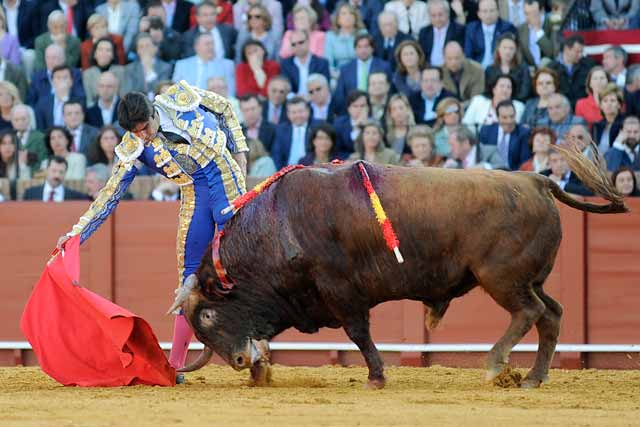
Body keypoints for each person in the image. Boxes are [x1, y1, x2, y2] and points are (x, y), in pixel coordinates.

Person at [54, 81, 248, 379]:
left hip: (226, 177)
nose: (144, 135)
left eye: (146, 127)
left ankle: (253, 344)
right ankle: (176, 365)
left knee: (237, 263)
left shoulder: (181, 98)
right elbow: (109, 194)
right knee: (189, 276)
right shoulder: (134, 147)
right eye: (137, 132)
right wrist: (77, 234)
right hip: (194, 192)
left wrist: (241, 152)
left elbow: (224, 107)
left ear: (153, 112)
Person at [334, 34, 392, 115]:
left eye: (366, 46)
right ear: (355, 49)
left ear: (372, 48)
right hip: (352, 111)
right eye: (359, 47)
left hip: (378, 110)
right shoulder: (345, 69)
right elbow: (340, 95)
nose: (363, 50)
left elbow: (390, 90)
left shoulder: (384, 66)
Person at [478, 99, 531, 170]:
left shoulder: (523, 132)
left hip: (513, 175)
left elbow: (524, 162)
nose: (509, 121)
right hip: (490, 174)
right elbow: (481, 157)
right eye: (504, 117)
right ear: (497, 117)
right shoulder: (486, 131)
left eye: (512, 116)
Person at [463, 0, 516, 69]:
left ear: (498, 12)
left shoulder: (507, 28)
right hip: (477, 69)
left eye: (492, 11)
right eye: (485, 11)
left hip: (499, 69)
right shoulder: (471, 29)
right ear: (479, 14)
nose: (488, 15)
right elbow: (468, 55)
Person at [547, 34, 597, 106]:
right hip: (560, 107)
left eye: (581, 52)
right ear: (566, 49)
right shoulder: (551, 68)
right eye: (577, 52)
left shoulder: (589, 65)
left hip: (583, 107)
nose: (580, 55)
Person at [280, 29, 331, 96]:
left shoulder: (322, 63)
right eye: (293, 44)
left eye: (301, 42)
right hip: (294, 102)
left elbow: (324, 88)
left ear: (308, 42)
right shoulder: (286, 64)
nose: (297, 46)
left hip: (315, 100)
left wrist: (310, 98)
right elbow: (286, 88)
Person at [35, 65, 86, 131]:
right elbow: (41, 129)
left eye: (65, 78)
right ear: (52, 82)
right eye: (58, 78)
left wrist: (65, 98)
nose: (62, 80)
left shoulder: (80, 100)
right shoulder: (42, 103)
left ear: (71, 82)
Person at [122, 33, 172, 99]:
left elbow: (162, 91)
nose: (145, 49)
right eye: (141, 47)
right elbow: (127, 94)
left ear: (155, 48)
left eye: (147, 46)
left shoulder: (165, 67)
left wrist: (149, 71)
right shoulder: (129, 69)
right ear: (138, 51)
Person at [484, 32, 532, 102]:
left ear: (515, 51)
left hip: (516, 103)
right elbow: (487, 92)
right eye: (504, 48)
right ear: (498, 49)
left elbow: (524, 93)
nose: (507, 52)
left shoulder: (523, 69)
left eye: (511, 48)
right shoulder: (490, 69)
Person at [324, 2, 367, 78]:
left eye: (351, 13)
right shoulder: (330, 36)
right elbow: (328, 63)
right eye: (343, 14)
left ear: (355, 17)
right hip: (337, 75)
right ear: (338, 19)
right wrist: (338, 76)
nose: (348, 17)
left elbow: (367, 59)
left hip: (360, 74)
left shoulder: (363, 33)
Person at [418, 0, 465, 68]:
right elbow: (422, 56)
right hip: (429, 69)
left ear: (447, 13)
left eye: (440, 14)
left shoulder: (459, 30)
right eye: (433, 16)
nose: (437, 19)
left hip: (450, 68)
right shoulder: (424, 32)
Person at [271, 96, 313, 169]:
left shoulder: (316, 127)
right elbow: (277, 155)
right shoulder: (281, 130)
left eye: (301, 111)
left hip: (311, 170)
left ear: (308, 111)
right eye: (294, 112)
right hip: (287, 171)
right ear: (288, 114)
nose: (297, 115)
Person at [82, 37, 126, 107]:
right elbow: (89, 101)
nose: (104, 53)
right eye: (100, 49)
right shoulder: (87, 74)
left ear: (112, 55)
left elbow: (124, 97)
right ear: (95, 54)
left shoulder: (122, 71)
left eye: (108, 50)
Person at [23, 156, 88, 201]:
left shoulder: (76, 197)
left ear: (65, 173)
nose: (57, 175)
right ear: (47, 170)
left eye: (61, 172)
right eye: (54, 171)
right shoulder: (30, 194)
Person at [441, 41, 485, 105]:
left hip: (472, 107)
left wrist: (460, 106)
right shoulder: (440, 72)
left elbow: (477, 98)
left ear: (463, 56)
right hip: (449, 109)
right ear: (444, 58)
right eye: (449, 59)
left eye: (457, 58)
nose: (453, 62)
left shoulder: (477, 70)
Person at [517, 0, 555, 68]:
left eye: (533, 14)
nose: (529, 17)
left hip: (549, 70)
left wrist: (538, 30)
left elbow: (551, 53)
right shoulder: (521, 29)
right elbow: (520, 56)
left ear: (542, 11)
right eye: (526, 13)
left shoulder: (552, 26)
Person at [10, 104, 46, 174]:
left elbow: (43, 161)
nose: (20, 122)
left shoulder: (40, 137)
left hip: (35, 178)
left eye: (23, 119)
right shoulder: (9, 139)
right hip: (13, 178)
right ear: (12, 122)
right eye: (16, 120)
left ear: (29, 119)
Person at [333, 90, 371, 157]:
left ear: (368, 107)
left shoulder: (375, 123)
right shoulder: (339, 124)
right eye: (355, 106)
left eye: (362, 106)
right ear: (348, 108)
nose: (359, 109)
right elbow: (335, 151)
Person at [593, 83, 625, 155]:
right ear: (601, 106)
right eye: (605, 101)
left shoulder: (624, 124)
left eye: (612, 100)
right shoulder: (597, 125)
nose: (609, 104)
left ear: (619, 105)